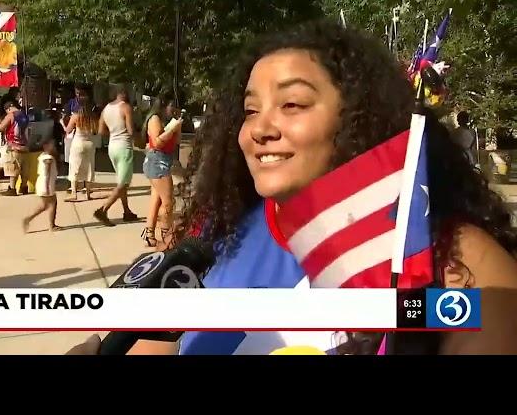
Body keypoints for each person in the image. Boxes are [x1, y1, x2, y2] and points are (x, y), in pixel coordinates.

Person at [68, 19, 517, 355]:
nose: (261, 128)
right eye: (249, 110)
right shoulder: (215, 235)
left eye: (293, 103)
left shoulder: (456, 260)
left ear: (360, 119)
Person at [141, 96, 182, 247]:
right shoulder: (155, 119)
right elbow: (157, 142)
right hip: (157, 162)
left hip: (164, 160)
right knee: (168, 203)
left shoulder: (170, 120)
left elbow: (177, 141)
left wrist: (177, 127)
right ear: (164, 105)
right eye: (173, 106)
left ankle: (149, 235)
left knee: (156, 200)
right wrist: (171, 128)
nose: (175, 110)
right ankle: (167, 238)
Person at [95, 84, 138, 226]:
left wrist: (113, 133)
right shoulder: (125, 107)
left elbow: (101, 131)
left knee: (122, 181)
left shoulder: (106, 109)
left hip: (112, 146)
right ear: (124, 93)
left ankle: (127, 211)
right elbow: (131, 131)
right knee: (123, 183)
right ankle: (103, 209)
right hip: (124, 147)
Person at [61, 94, 98, 202]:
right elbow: (95, 131)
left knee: (74, 167)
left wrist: (62, 123)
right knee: (89, 167)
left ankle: (74, 193)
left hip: (78, 143)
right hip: (89, 143)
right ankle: (87, 193)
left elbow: (68, 130)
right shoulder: (92, 117)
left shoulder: (76, 116)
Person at [23, 139, 61, 232]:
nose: (54, 147)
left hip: (43, 183)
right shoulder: (48, 158)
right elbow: (47, 173)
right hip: (46, 183)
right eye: (52, 145)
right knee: (52, 204)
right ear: (46, 146)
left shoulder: (43, 156)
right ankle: (51, 225)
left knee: (45, 205)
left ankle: (28, 219)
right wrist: (48, 186)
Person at [0, 100, 30, 196]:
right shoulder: (24, 115)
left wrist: (2, 123)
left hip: (14, 146)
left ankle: (12, 189)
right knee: (24, 169)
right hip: (24, 145)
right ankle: (24, 187)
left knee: (13, 168)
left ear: (8, 108)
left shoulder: (11, 115)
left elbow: (1, 128)